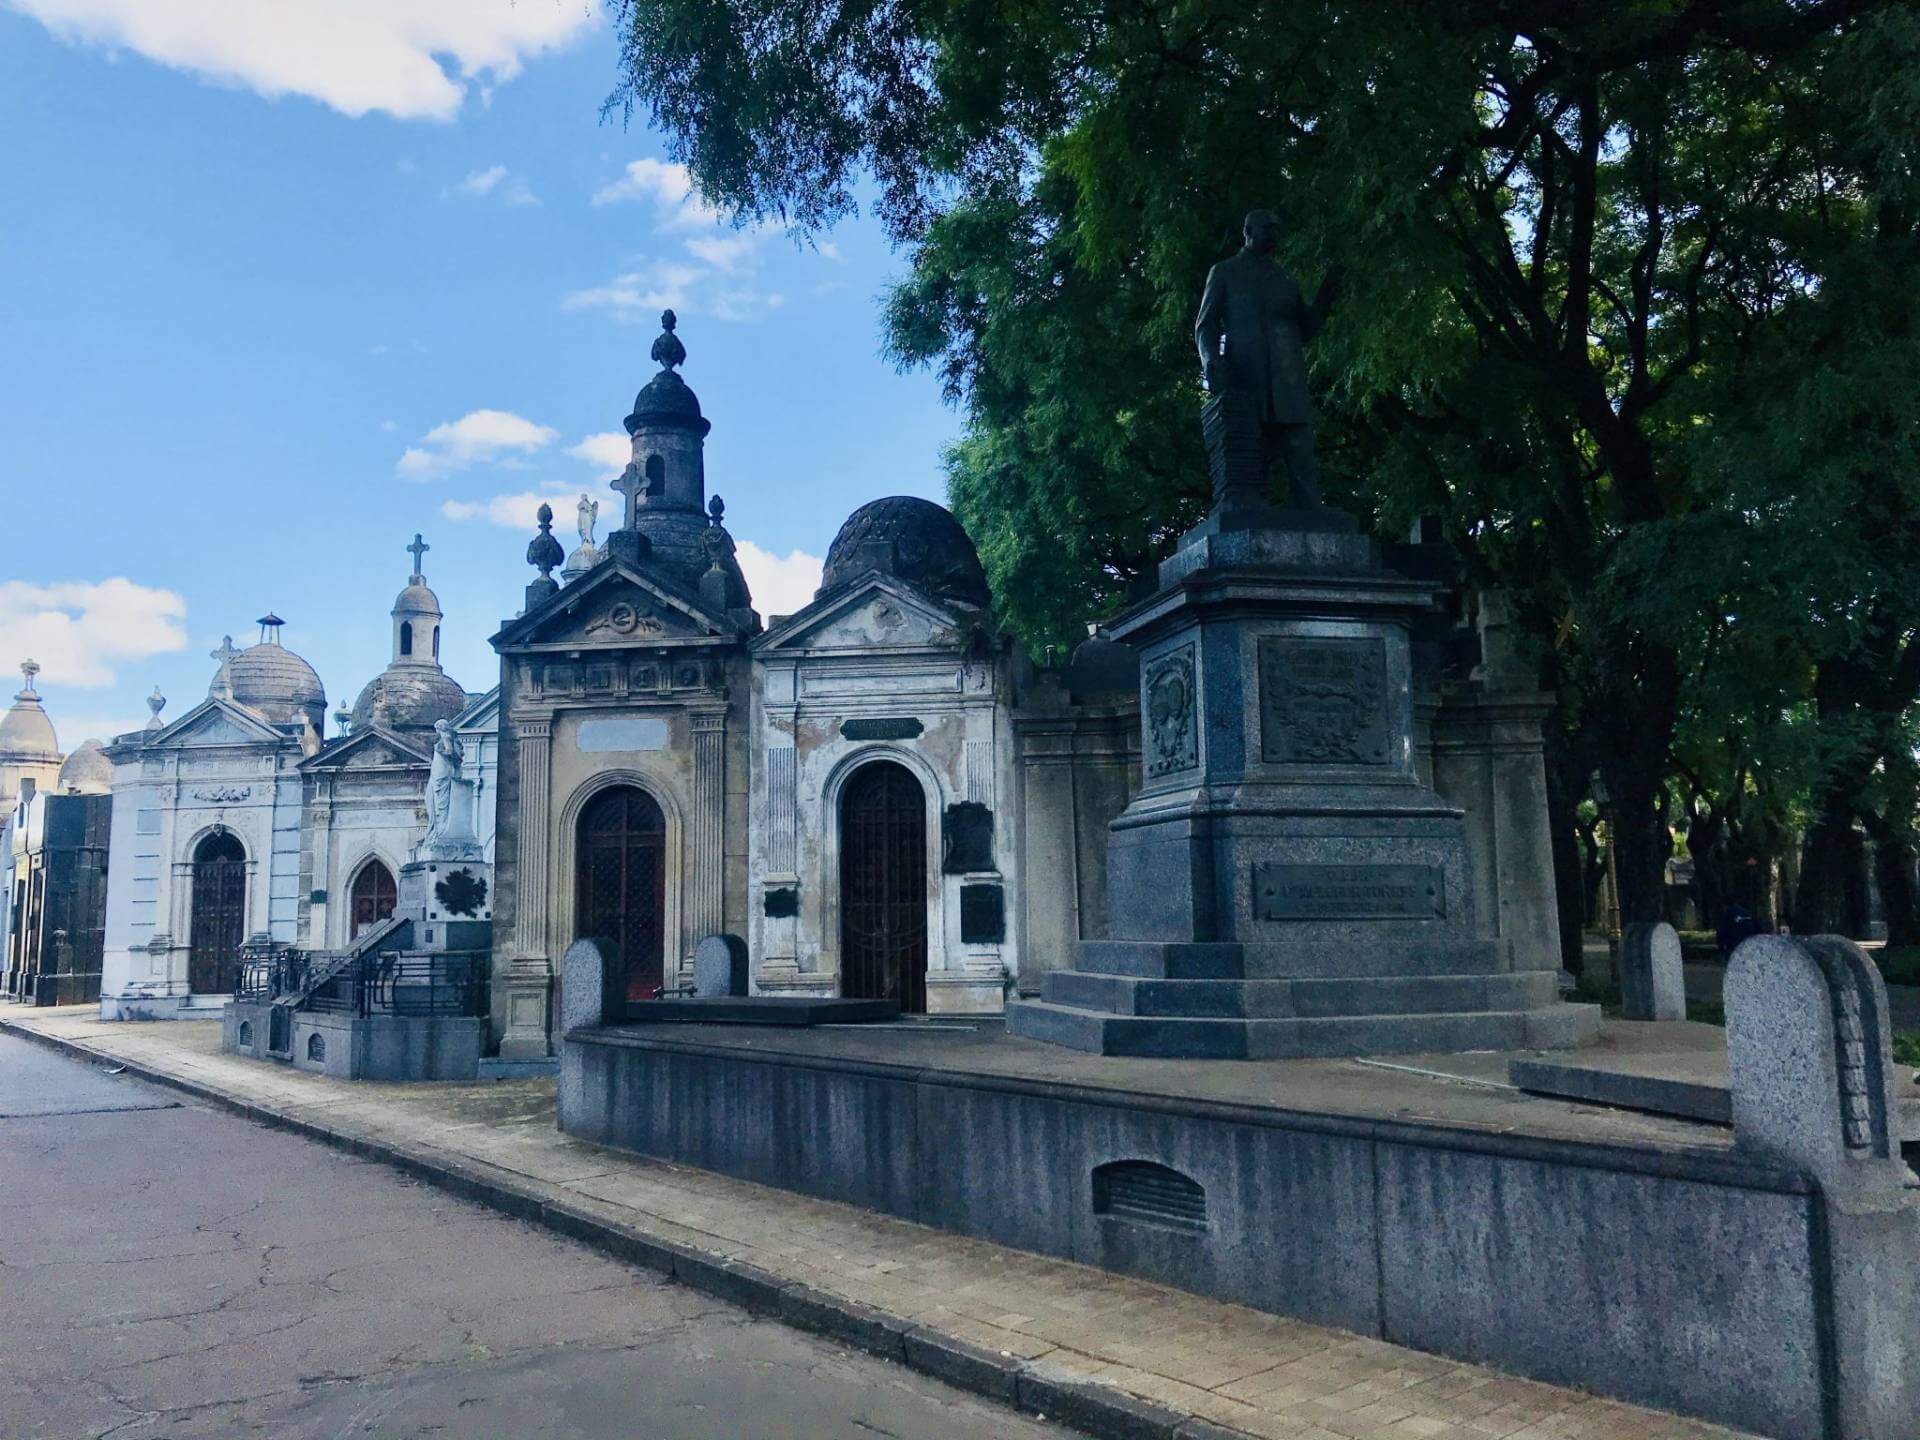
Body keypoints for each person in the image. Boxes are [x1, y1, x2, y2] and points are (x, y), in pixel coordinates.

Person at [1193, 208, 1344, 511]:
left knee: (1299, 443)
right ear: (1248, 231)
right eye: (1268, 230)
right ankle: (1247, 505)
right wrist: (1212, 364)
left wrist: (1327, 294)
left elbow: (1306, 328)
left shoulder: (1284, 278)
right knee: (1251, 445)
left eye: (1277, 232)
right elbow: (1205, 325)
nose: (1275, 237)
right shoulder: (1224, 272)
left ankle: (1311, 506)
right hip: (1247, 373)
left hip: (1288, 376)